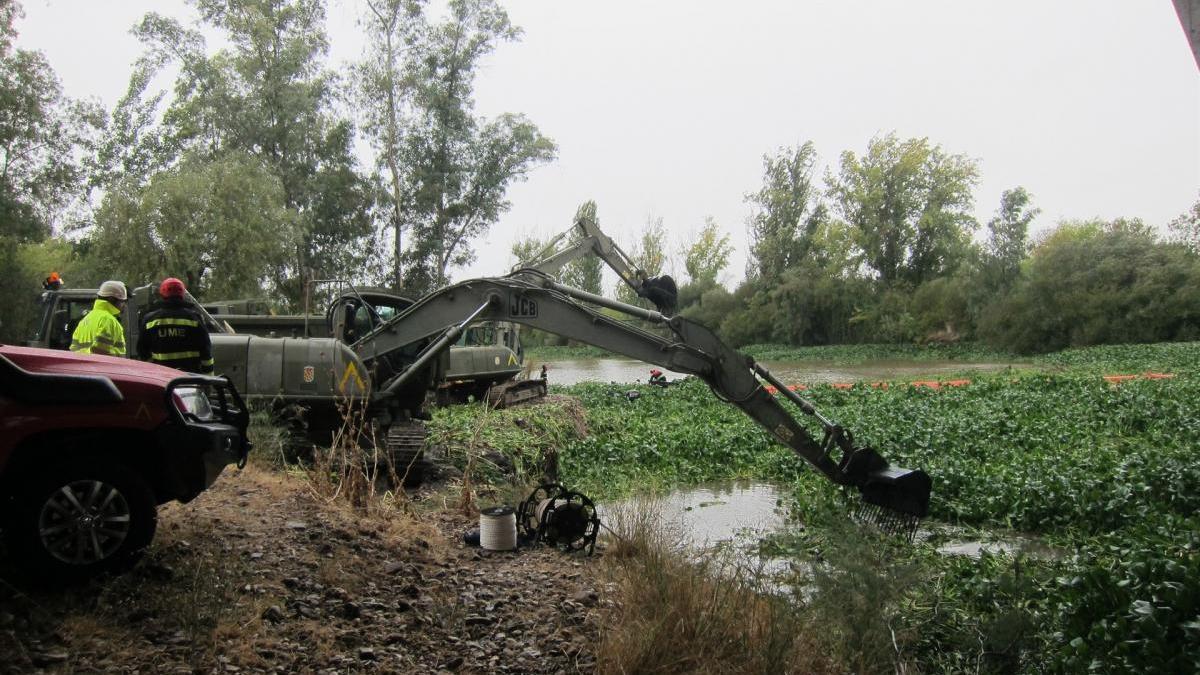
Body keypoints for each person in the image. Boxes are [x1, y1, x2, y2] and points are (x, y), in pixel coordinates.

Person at [138, 277, 214, 374]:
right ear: (182, 294)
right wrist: (208, 379)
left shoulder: (149, 319)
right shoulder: (194, 318)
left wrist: (153, 370)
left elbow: (142, 351)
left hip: (161, 378)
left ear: (162, 294)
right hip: (191, 377)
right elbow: (205, 350)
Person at [70, 280, 128, 356]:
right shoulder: (108, 320)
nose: (124, 305)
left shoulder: (85, 319)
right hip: (105, 367)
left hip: (82, 367)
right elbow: (100, 352)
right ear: (112, 299)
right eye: (122, 301)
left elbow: (74, 350)